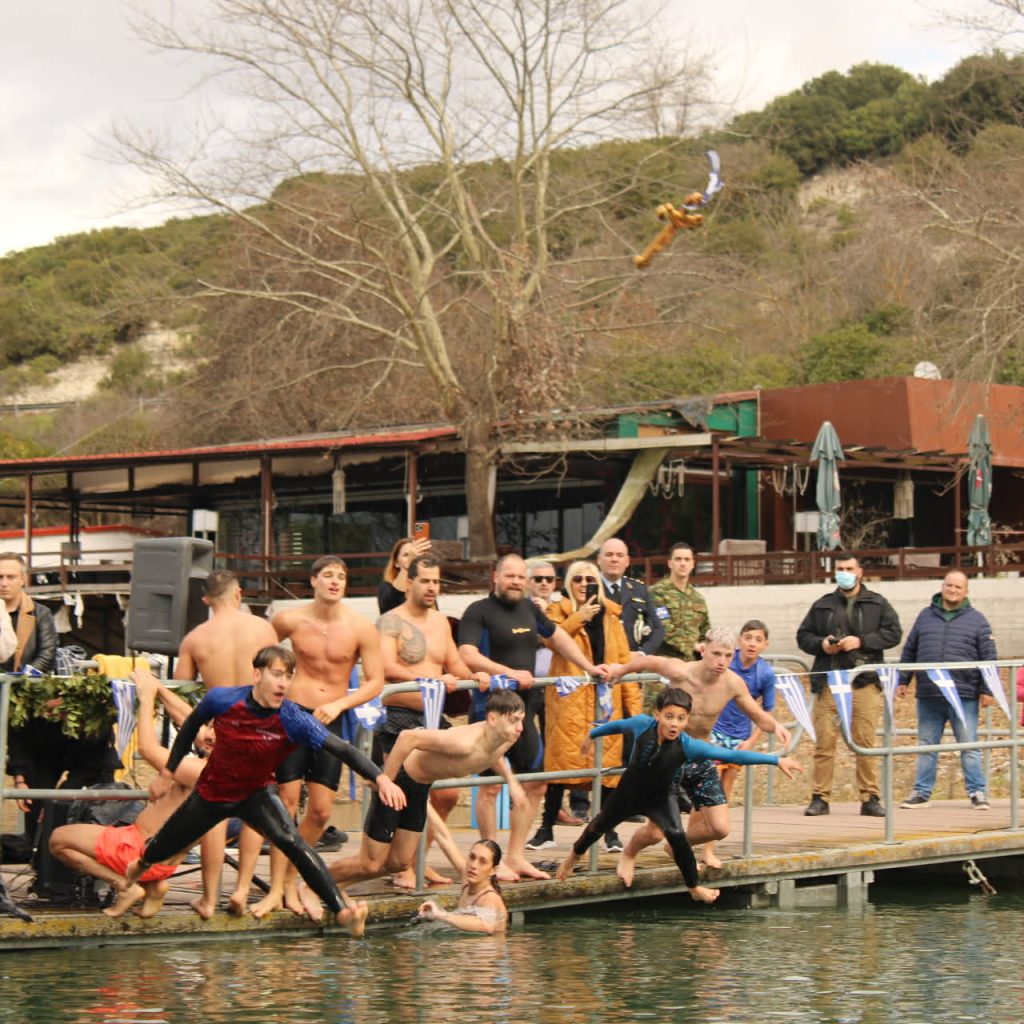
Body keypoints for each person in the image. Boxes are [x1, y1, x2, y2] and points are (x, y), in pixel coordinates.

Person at [124, 645, 404, 938]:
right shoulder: (222, 700)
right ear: (257, 675)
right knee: (164, 845)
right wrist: (167, 772)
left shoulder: (293, 718)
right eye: (277, 674)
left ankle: (342, 912)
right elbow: (189, 727)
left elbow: (343, 749)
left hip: (256, 795)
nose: (283, 683)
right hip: (212, 794)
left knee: (293, 843)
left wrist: (381, 779)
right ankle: (141, 864)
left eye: (289, 677)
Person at [241, 555, 385, 918]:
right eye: (328, 575)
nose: (335, 581)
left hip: (329, 718)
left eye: (341, 576)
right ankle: (276, 888)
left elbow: (376, 682)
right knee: (286, 804)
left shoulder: (360, 627)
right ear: (314, 581)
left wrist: (340, 704)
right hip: (290, 715)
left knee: (320, 812)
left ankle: (292, 879)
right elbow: (258, 660)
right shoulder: (289, 619)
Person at [554, 687, 802, 897]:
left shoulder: (689, 746)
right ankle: (574, 856)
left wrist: (776, 760)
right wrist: (592, 735)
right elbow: (617, 725)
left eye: (681, 718)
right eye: (669, 716)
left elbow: (733, 755)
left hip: (661, 798)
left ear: (686, 720)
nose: (674, 723)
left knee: (677, 836)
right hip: (628, 794)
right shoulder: (642, 725)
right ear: (658, 714)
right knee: (598, 825)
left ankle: (694, 887)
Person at [457, 554, 608, 880]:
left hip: (521, 714)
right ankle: (488, 860)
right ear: (495, 576)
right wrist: (508, 672)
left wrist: (588, 667)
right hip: (489, 712)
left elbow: (557, 637)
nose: (515, 581)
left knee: (536, 783)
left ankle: (514, 856)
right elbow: (467, 654)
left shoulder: (529, 608)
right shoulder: (478, 611)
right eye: (509, 575)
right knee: (490, 789)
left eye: (519, 576)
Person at [606, 626, 792, 870]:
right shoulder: (681, 671)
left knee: (719, 828)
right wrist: (620, 669)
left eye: (728, 655)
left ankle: (677, 846)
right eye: (716, 654)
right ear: (704, 650)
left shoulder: (733, 683)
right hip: (667, 756)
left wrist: (775, 726)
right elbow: (649, 661)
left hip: (699, 757)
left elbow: (757, 715)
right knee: (655, 832)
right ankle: (629, 853)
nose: (721, 661)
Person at [325, 690, 528, 907]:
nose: (520, 728)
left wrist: (512, 782)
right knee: (370, 863)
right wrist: (386, 782)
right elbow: (407, 737)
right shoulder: (463, 742)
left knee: (399, 863)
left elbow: (493, 755)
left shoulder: (505, 738)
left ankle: (335, 886)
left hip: (419, 788)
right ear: (493, 719)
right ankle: (314, 883)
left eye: (521, 720)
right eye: (514, 720)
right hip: (399, 780)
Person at [48, 666, 211, 919]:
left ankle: (125, 886)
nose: (209, 734)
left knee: (58, 839)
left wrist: (146, 699)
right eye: (211, 727)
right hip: (161, 859)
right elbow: (189, 721)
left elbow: (147, 748)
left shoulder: (201, 771)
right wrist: (158, 688)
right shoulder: (226, 763)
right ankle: (154, 887)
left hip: (138, 852)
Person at [376, 554, 489, 887]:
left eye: (436, 582)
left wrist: (474, 675)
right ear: (409, 582)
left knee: (447, 795)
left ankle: (416, 860)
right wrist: (429, 680)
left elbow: (454, 663)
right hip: (399, 715)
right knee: (407, 791)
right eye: (425, 581)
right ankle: (401, 867)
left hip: (432, 714)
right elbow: (386, 667)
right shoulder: (390, 621)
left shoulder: (440, 622)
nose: (432, 587)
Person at [172, 568, 278, 918]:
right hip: (260, 730)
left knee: (214, 811)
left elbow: (179, 695)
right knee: (256, 806)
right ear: (238, 594)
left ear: (206, 599)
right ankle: (243, 889)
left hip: (220, 732)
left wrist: (199, 728)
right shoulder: (262, 629)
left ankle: (208, 897)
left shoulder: (195, 639)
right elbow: (277, 681)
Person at [527, 560, 640, 854]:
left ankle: (609, 830)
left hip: (605, 701)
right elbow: (551, 640)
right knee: (560, 764)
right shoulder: (558, 610)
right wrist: (579, 617)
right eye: (577, 579)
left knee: (608, 768)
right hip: (570, 701)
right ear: (568, 584)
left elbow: (624, 661)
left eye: (589, 580)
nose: (583, 585)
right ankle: (546, 828)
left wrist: (635, 710)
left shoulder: (612, 617)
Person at [796, 553, 902, 818]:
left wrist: (862, 641)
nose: (844, 572)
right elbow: (803, 636)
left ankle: (870, 797)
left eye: (849, 568)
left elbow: (893, 634)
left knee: (865, 742)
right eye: (840, 568)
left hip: (864, 681)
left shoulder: (877, 602)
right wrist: (822, 644)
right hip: (830, 681)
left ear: (860, 572)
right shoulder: (822, 604)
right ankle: (820, 797)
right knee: (824, 742)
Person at [897, 571, 998, 810]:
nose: (952, 590)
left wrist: (988, 689)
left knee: (968, 745)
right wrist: (903, 679)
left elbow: (988, 657)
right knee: (927, 745)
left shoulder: (978, 620)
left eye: (958, 587)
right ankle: (921, 793)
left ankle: (977, 792)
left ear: (966, 592)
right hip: (929, 693)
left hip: (964, 694)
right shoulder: (925, 616)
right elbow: (910, 649)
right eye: (949, 585)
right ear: (942, 587)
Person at [703, 619, 777, 866]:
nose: (752, 644)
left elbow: (767, 713)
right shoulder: (727, 661)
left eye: (758, 640)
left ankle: (708, 849)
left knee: (723, 794)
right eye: (748, 638)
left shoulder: (765, 673)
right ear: (739, 640)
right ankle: (687, 842)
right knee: (707, 789)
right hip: (715, 731)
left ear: (765, 645)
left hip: (739, 737)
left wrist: (751, 741)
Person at [648, 542, 709, 711]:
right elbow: (663, 628)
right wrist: (693, 646)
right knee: (655, 717)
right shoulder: (656, 593)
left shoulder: (698, 598)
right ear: (670, 563)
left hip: (689, 673)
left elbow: (705, 632)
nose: (683, 563)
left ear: (693, 564)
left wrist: (705, 646)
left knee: (686, 717)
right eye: (678, 559)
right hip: (661, 670)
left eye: (687, 559)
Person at [416, 839, 507, 935]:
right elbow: (446, 842)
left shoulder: (489, 897)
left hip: (489, 943)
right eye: (472, 857)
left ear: (493, 870)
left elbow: (486, 925)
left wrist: (440, 915)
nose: (473, 865)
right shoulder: (467, 883)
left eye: (482, 862)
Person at [596, 538, 664, 656]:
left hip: (633, 661)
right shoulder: (588, 588)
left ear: (627, 561)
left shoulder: (639, 589)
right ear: (599, 559)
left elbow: (657, 628)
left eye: (620, 555)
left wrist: (642, 653)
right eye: (609, 555)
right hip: (599, 661)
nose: (614, 559)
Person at [378, 536, 432, 614]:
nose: (413, 558)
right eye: (406, 555)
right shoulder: (386, 587)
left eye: (416, 555)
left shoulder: (425, 586)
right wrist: (408, 563)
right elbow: (388, 609)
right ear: (396, 562)